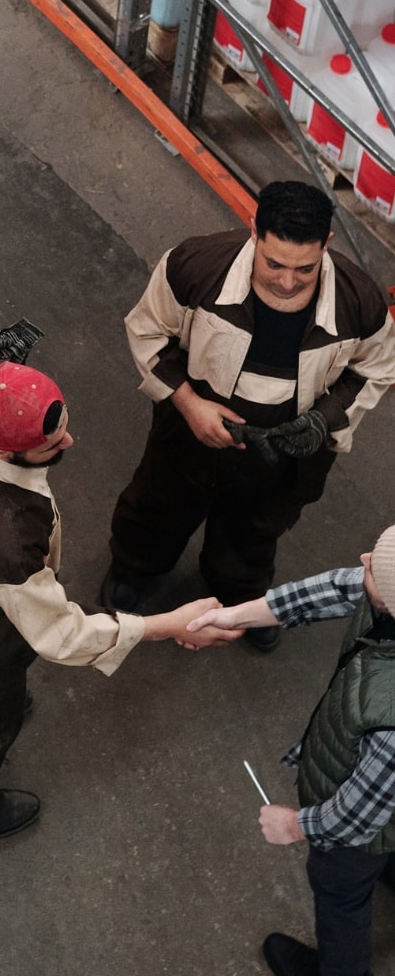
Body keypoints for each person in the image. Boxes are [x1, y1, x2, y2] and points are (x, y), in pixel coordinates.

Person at [0, 320, 240, 841]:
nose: (69, 441)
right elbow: (60, 634)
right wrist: (168, 624)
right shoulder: (1, 537)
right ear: (5, 453)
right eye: (52, 444)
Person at [99, 181, 395, 651]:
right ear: (254, 231)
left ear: (328, 245)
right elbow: (147, 332)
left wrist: (325, 418)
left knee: (256, 530)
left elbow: (376, 369)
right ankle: (136, 568)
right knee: (157, 507)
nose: (286, 280)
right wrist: (189, 404)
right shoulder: (194, 267)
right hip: (189, 434)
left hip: (288, 453)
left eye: (305, 267)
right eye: (274, 262)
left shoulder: (361, 303)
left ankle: (240, 597)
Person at [191, 528, 395, 976]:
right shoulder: (382, 594)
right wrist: (235, 614)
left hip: (363, 825)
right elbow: (337, 588)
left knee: (341, 887)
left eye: (375, 567)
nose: (363, 557)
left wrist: (296, 825)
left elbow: (355, 816)